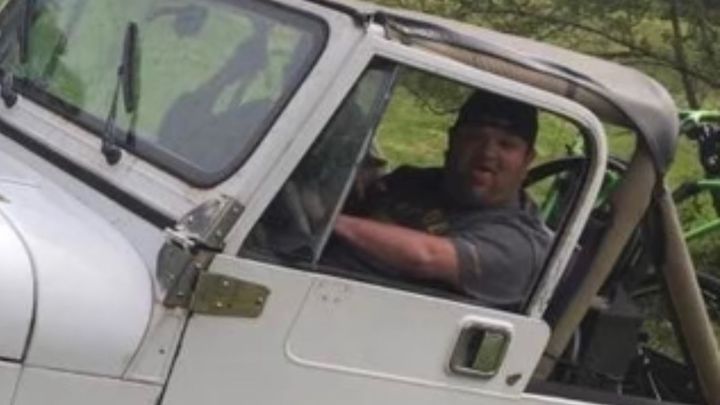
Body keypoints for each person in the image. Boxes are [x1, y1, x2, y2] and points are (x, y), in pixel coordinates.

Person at [325, 89, 553, 310]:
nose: (487, 153)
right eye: (474, 138)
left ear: (527, 160)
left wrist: (332, 221)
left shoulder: (520, 244)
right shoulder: (412, 181)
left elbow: (426, 257)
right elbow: (356, 201)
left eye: (506, 145)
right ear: (452, 141)